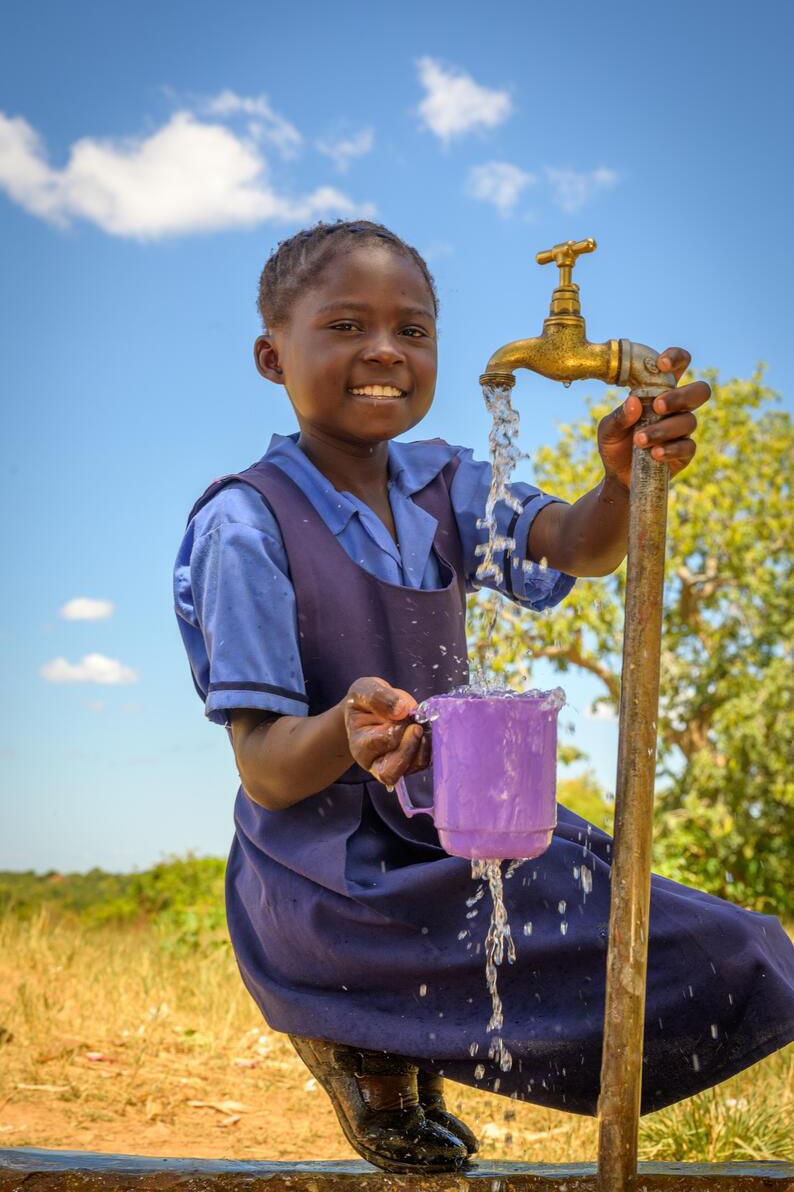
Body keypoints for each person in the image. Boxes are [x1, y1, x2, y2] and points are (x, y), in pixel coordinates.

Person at [174, 220, 794, 1173]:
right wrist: (347, 727)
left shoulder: (446, 481)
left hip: (462, 827)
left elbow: (580, 546)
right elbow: (264, 770)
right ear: (272, 355)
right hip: (337, 878)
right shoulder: (245, 523)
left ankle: (389, 1039)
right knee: (561, 948)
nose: (384, 350)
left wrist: (621, 481)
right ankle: (360, 1038)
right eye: (344, 325)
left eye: (412, 331)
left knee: (730, 950)